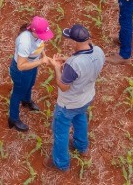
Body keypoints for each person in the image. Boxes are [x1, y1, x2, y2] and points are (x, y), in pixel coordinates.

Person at [44, 24, 105, 172]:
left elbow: (63, 86)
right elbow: (84, 59)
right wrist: (67, 59)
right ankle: (81, 147)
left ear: (75, 42)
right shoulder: (98, 51)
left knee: (61, 131)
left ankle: (61, 163)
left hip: (68, 104)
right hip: (87, 97)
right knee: (80, 119)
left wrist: (57, 68)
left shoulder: (73, 65)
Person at [8, 17, 53, 132]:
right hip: (21, 71)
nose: (44, 37)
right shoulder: (25, 42)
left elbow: (40, 44)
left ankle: (26, 101)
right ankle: (13, 118)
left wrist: (43, 55)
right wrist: (41, 61)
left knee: (30, 84)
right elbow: (21, 65)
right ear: (33, 31)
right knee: (18, 92)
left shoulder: (37, 35)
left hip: (32, 66)